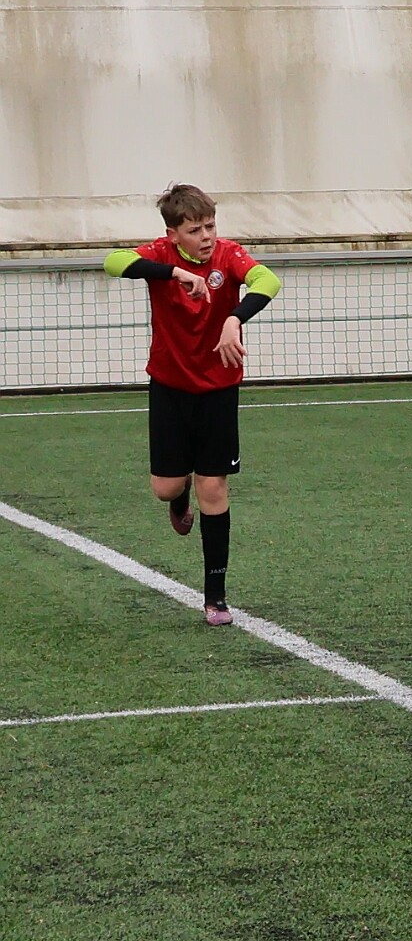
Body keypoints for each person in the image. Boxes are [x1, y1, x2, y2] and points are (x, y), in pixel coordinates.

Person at [103, 184, 282, 625]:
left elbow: (268, 281)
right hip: (169, 386)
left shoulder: (229, 255)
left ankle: (215, 597)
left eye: (210, 226)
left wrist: (234, 318)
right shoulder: (160, 255)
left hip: (219, 388)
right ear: (173, 234)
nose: (206, 236)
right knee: (165, 487)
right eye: (195, 229)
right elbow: (113, 262)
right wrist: (174, 274)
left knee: (213, 487)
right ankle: (177, 497)